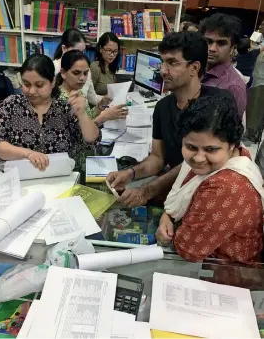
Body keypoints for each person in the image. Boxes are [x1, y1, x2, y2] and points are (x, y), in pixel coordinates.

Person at [107, 32, 237, 207]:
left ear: (194, 68)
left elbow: (198, 163)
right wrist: (130, 173)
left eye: (172, 63)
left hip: (206, 196)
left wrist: (148, 191)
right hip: (175, 191)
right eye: (162, 62)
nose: (162, 71)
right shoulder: (163, 107)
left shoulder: (219, 104)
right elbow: (157, 158)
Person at [156, 95, 264, 264]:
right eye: (191, 147)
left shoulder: (226, 187)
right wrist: (167, 215)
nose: (199, 158)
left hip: (226, 275)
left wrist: (168, 218)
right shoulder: (234, 156)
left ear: (232, 145)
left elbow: (188, 250)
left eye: (211, 149)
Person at [0, 54, 100, 171]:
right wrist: (28, 154)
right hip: (21, 178)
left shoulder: (64, 108)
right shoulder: (12, 105)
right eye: (26, 84)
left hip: (59, 178)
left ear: (52, 82)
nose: (31, 91)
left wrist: (82, 114)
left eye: (39, 85)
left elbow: (92, 140)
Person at [54, 28, 127, 123]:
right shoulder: (61, 100)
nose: (82, 78)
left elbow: (89, 115)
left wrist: (101, 105)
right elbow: (80, 133)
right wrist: (104, 117)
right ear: (63, 73)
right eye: (76, 73)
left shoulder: (77, 92)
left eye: (85, 73)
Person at [200, 13, 247, 118]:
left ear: (232, 48)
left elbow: (232, 131)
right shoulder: (197, 69)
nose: (212, 48)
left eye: (221, 43)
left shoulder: (233, 87)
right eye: (208, 41)